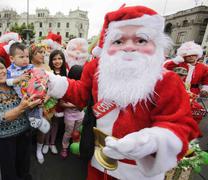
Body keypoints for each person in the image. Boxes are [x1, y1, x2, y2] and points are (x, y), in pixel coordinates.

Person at [48, 5, 199, 180]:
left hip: (138, 171)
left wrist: (150, 141)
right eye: (118, 41)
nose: (128, 47)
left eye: (141, 40)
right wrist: (54, 82)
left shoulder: (166, 80)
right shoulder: (96, 68)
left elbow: (179, 124)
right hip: (98, 161)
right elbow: (82, 93)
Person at [0, 56, 41, 180]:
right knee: (9, 168)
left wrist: (36, 101)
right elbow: (0, 118)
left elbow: (29, 97)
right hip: (5, 138)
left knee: (24, 163)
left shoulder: (14, 84)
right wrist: (22, 107)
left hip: (24, 131)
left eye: (1, 68)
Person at [6, 42, 50, 135]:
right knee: (26, 113)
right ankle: (32, 123)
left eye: (27, 56)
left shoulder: (31, 66)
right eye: (21, 57)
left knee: (37, 105)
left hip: (33, 93)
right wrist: (18, 79)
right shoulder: (10, 70)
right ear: (12, 58)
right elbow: (7, 82)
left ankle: (38, 120)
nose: (25, 59)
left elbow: (39, 76)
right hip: (20, 97)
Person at [42, 49, 68, 155]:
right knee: (48, 122)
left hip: (60, 103)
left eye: (60, 58)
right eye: (54, 59)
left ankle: (52, 143)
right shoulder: (48, 71)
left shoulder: (66, 71)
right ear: (51, 61)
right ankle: (46, 143)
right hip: (48, 102)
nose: (57, 61)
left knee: (56, 123)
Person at [59, 65, 84, 159]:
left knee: (77, 132)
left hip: (80, 114)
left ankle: (75, 145)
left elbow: (84, 103)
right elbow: (62, 104)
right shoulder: (66, 87)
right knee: (68, 132)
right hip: (69, 115)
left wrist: (81, 105)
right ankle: (64, 147)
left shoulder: (83, 87)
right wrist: (76, 105)